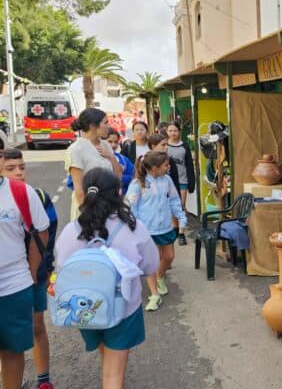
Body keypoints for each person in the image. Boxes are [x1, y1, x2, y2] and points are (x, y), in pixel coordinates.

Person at [54, 168, 159, 389]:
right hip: (124, 308)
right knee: (114, 375)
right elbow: (151, 265)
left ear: (85, 193)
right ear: (119, 192)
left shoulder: (72, 230)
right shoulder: (133, 227)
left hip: (86, 309)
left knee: (106, 354)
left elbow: (61, 266)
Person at [2, 148, 58, 389]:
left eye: (22, 168)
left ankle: (42, 379)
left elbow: (46, 235)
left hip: (24, 279)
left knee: (32, 330)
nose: (19, 173)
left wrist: (37, 270)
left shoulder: (32, 195)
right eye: (11, 168)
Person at [124, 151, 187, 312]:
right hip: (147, 230)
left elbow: (174, 200)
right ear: (155, 167)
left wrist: (181, 217)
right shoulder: (137, 184)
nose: (169, 167)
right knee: (152, 260)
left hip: (165, 227)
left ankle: (160, 276)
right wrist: (135, 228)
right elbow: (129, 208)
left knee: (169, 256)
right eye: (166, 165)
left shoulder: (167, 180)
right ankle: (154, 294)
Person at [67, 108, 124, 220]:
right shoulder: (76, 149)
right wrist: (89, 215)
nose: (108, 126)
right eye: (105, 123)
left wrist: (111, 157)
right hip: (88, 209)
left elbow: (118, 176)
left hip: (109, 206)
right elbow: (79, 190)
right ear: (93, 126)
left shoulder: (106, 145)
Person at [165, 122, 195, 245]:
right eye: (170, 130)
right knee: (171, 206)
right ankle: (175, 228)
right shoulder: (164, 146)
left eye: (175, 130)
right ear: (167, 132)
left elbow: (189, 165)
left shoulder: (185, 146)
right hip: (168, 180)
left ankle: (182, 233)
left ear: (179, 131)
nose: (173, 133)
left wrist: (191, 182)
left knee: (181, 206)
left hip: (182, 180)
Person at [105, 128, 135, 195]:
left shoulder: (123, 159)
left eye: (116, 142)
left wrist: (121, 178)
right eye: (109, 141)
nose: (113, 145)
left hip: (123, 197)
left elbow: (134, 177)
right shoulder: (96, 158)